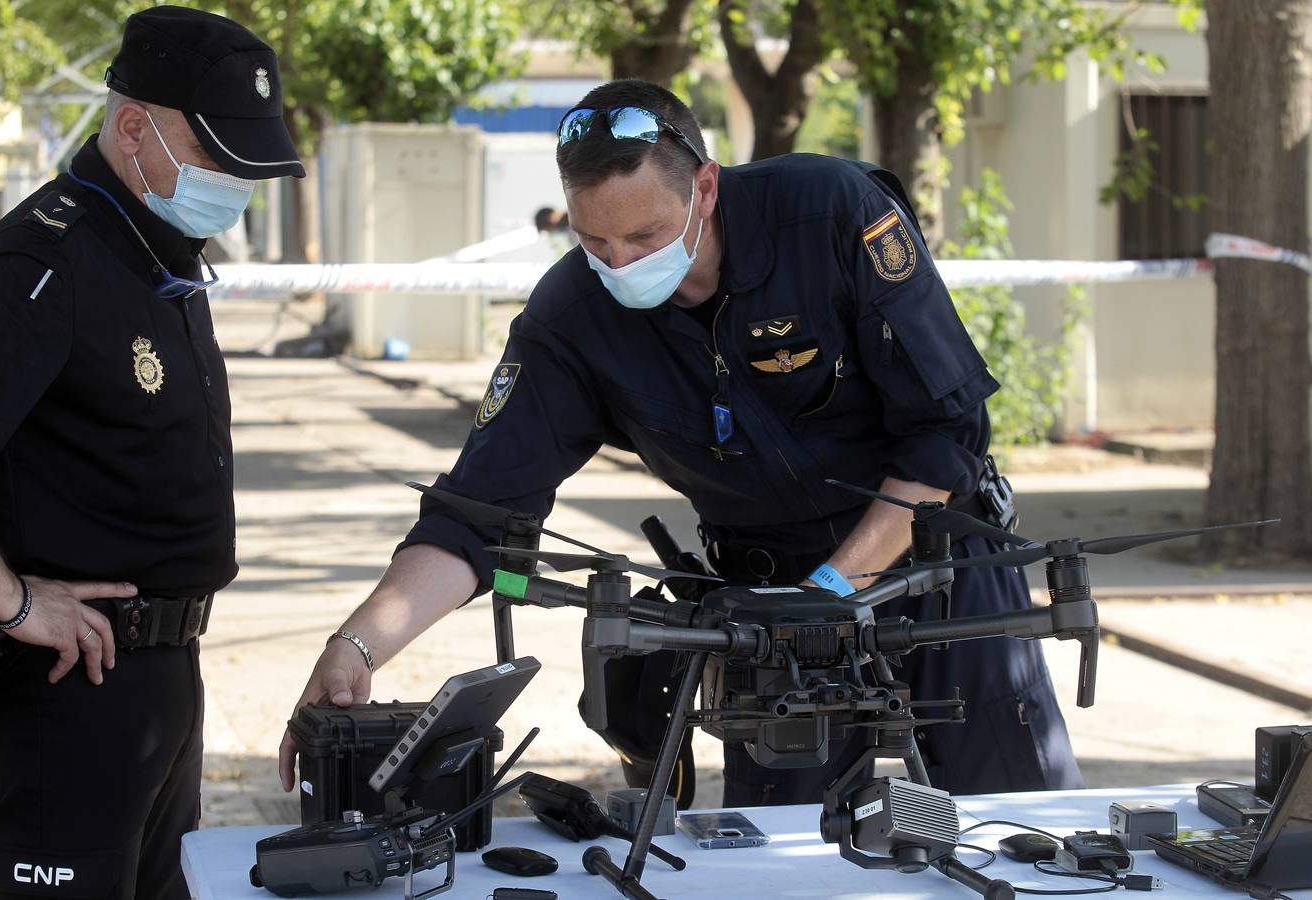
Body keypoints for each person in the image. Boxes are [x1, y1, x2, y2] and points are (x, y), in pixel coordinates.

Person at [280, 79, 1081, 810]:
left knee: (1024, 833)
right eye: (597, 244)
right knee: (771, 861)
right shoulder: (570, 318)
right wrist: (356, 644)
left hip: (941, 570)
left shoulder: (829, 212)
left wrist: (835, 590)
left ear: (706, 185)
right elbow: (475, 515)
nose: (621, 262)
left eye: (644, 234)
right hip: (767, 610)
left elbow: (947, 433)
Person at [0, 7, 304, 898]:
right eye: (219, 159)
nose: (234, 183)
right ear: (130, 128)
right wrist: (10, 599)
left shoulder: (157, 250)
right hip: (68, 683)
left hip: (161, 676)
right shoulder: (43, 262)